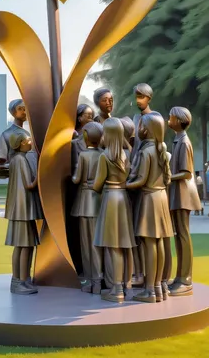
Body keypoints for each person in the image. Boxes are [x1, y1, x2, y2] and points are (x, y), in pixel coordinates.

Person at [127, 113, 173, 303]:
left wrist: (121, 184)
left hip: (149, 199)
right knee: (159, 243)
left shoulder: (147, 152)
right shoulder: (162, 149)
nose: (138, 129)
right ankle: (158, 287)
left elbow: (141, 180)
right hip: (161, 197)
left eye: (140, 126)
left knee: (149, 245)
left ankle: (149, 291)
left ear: (146, 129)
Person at [93, 118, 135, 304]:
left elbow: (96, 185)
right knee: (121, 245)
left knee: (113, 246)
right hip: (123, 198)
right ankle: (122, 285)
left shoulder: (104, 156)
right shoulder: (125, 155)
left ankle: (116, 288)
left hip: (110, 199)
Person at [167, 106, 202, 297]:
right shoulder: (177, 140)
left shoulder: (184, 142)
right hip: (177, 193)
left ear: (179, 121)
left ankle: (186, 279)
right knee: (179, 235)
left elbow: (187, 173)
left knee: (183, 235)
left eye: (171, 117)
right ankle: (180, 277)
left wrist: (168, 177)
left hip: (183, 194)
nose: (168, 120)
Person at [5, 130, 43, 295]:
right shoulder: (20, 160)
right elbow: (29, 184)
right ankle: (19, 280)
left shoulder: (16, 159)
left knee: (24, 246)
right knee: (24, 246)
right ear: (20, 143)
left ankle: (22, 279)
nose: (30, 142)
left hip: (21, 208)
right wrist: (42, 174)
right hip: (23, 208)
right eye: (28, 139)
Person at [71, 122, 103, 294]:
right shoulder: (103, 155)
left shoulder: (83, 155)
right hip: (99, 200)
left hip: (85, 201)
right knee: (98, 243)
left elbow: (76, 179)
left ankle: (91, 281)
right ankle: (98, 280)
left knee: (87, 244)